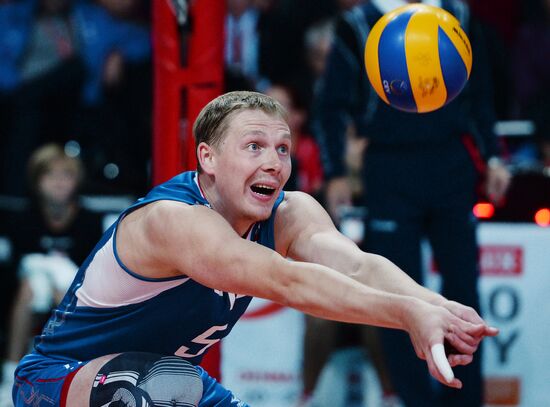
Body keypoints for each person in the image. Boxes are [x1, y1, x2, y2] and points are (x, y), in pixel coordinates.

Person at [12, 91, 497, 406]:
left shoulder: (290, 211)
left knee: (169, 383)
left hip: (174, 385)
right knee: (156, 386)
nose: (273, 162)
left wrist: (438, 308)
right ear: (208, 157)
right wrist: (405, 315)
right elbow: (288, 281)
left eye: (282, 149)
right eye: (254, 146)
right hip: (57, 382)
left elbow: (356, 265)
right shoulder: (172, 221)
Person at [312, 1, 511, 406]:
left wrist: (492, 156)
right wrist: (334, 172)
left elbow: (481, 96)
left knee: (464, 293)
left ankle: (465, 401)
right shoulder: (359, 24)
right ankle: (414, 400)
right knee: (396, 298)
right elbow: (330, 106)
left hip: (451, 165)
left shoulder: (458, 14)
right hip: (389, 169)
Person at [0, 144, 104, 406]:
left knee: (66, 292)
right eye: (51, 176)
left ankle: (80, 372)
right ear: (37, 181)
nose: (59, 183)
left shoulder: (89, 220)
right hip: (31, 291)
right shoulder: (23, 219)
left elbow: (94, 271)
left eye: (66, 176)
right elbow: (17, 266)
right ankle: (10, 370)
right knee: (29, 287)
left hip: (77, 295)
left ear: (76, 181)